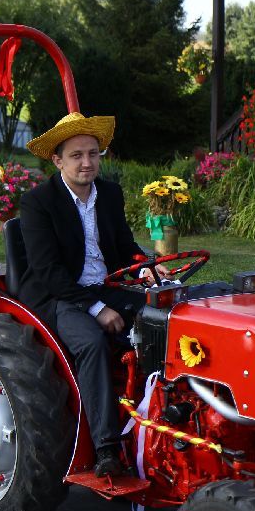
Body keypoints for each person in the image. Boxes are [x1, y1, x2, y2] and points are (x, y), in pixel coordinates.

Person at [19, 112, 166, 477]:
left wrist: (144, 265)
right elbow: (48, 271)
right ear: (57, 160)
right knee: (92, 344)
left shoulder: (110, 194)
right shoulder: (39, 203)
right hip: (62, 296)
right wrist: (97, 308)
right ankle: (106, 449)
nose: (87, 162)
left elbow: (124, 245)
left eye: (93, 153)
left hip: (107, 286)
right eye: (76, 155)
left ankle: (159, 422)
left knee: (166, 320)